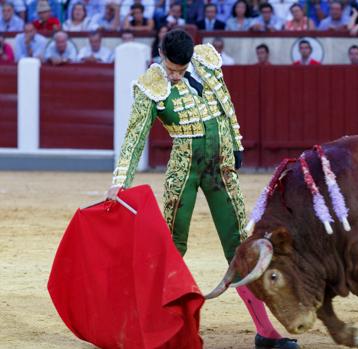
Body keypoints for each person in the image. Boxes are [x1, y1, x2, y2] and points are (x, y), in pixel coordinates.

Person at [105, 29, 300, 349]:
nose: (176, 76)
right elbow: (134, 137)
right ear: (160, 54)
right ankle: (152, 326)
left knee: (240, 246)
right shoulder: (150, 85)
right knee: (171, 247)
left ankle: (266, 332)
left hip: (219, 167)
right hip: (184, 170)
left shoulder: (207, 62)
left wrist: (236, 143)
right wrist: (120, 181)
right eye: (171, 69)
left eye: (181, 70)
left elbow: (226, 105)